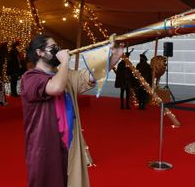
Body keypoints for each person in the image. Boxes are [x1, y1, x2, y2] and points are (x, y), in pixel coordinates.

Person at [20, 34, 123, 187]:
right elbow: (55, 87)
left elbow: (91, 76)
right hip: (46, 147)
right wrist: (65, 62)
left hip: (70, 144)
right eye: (53, 48)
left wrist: (114, 57)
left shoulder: (63, 75)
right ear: (39, 53)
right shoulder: (30, 78)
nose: (58, 50)